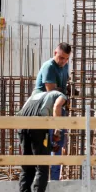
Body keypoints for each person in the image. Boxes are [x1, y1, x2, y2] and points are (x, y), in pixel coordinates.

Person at [15, 90, 68, 192]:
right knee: (42, 166)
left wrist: (49, 144)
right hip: (38, 125)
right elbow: (57, 106)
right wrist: (58, 130)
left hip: (22, 127)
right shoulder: (60, 95)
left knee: (27, 166)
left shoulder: (36, 95)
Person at [33, 42, 71, 180]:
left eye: (66, 58)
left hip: (57, 107)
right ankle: (42, 179)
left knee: (57, 146)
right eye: (61, 58)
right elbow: (51, 92)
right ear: (55, 53)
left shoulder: (65, 66)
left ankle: (54, 179)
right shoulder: (49, 66)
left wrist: (66, 90)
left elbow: (61, 89)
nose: (63, 61)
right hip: (43, 109)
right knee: (48, 145)